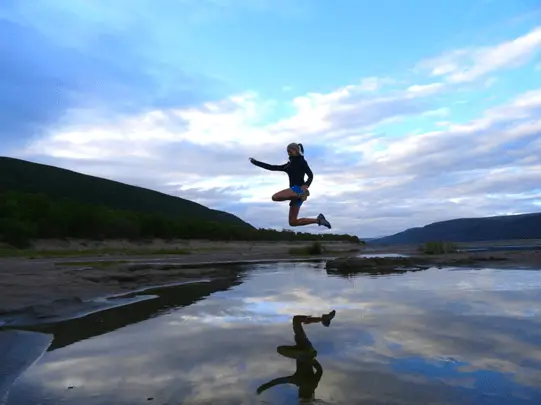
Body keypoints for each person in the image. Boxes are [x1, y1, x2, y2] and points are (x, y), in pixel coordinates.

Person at [256, 311, 336, 402]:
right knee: (281, 348)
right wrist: (263, 388)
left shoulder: (310, 384)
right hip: (304, 352)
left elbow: (319, 370)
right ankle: (323, 319)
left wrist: (312, 360)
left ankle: (324, 319)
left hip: (306, 349)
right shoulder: (297, 381)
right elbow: (278, 381)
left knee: (296, 320)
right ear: (300, 392)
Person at [249, 142, 332, 229]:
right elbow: (272, 167)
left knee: (275, 197)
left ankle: (299, 195)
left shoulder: (301, 161)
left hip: (297, 189)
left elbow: (310, 175)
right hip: (297, 194)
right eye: (287, 151)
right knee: (293, 222)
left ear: (296, 151)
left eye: (290, 150)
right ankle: (319, 220)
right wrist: (256, 162)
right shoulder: (288, 165)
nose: (288, 152)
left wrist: (306, 185)